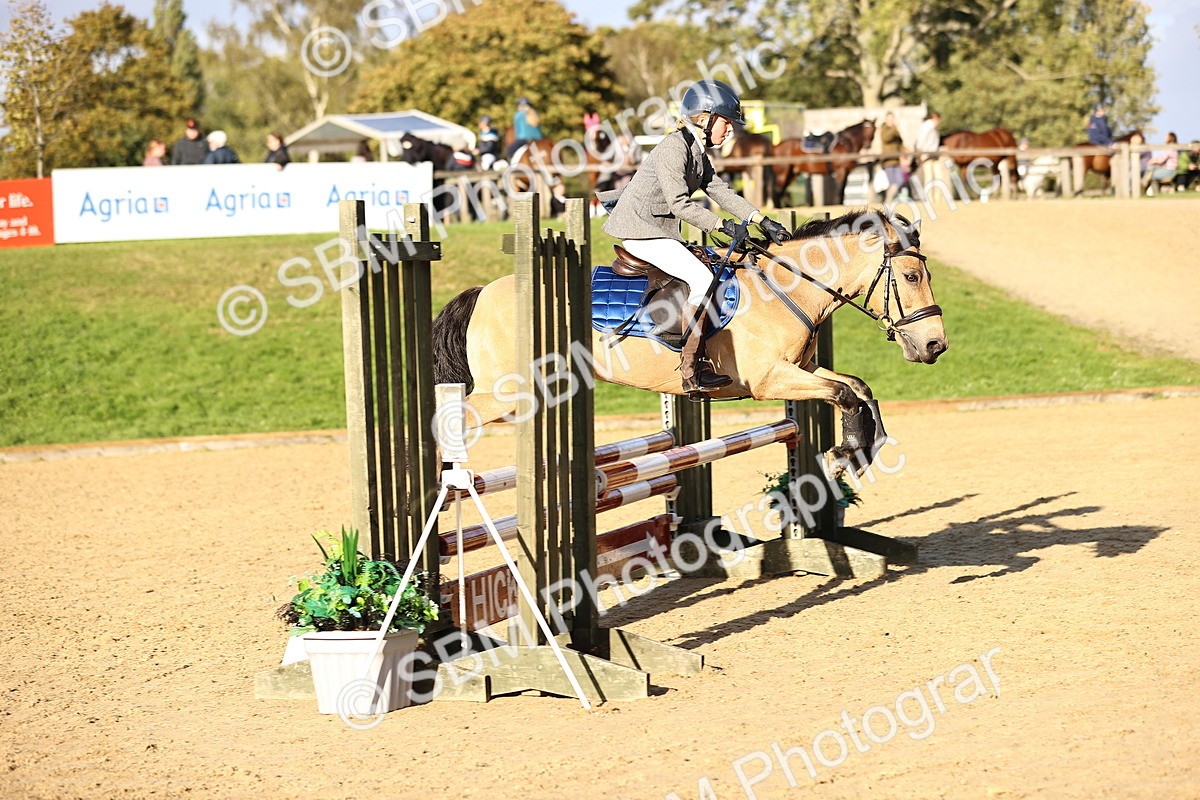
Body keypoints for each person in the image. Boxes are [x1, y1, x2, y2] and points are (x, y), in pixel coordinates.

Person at [600, 79, 791, 394]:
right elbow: (679, 204)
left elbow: (719, 190)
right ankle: (691, 369)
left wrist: (761, 219)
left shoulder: (696, 149)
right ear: (705, 118)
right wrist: (721, 226)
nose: (730, 131)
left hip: (656, 229)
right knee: (702, 279)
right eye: (726, 124)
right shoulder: (674, 148)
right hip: (640, 231)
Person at [911, 111, 941, 199]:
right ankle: (931, 198)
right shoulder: (928, 126)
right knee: (930, 177)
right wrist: (922, 153)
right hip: (928, 154)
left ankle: (936, 198)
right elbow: (921, 141)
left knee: (936, 176)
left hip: (933, 155)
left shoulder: (931, 127)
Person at [877, 111, 905, 203]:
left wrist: (905, 152)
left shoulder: (895, 130)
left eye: (892, 119)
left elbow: (900, 144)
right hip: (888, 161)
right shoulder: (884, 129)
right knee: (893, 183)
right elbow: (886, 138)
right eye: (890, 119)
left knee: (899, 182)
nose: (892, 121)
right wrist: (894, 129)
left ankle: (889, 200)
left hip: (896, 161)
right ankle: (888, 201)